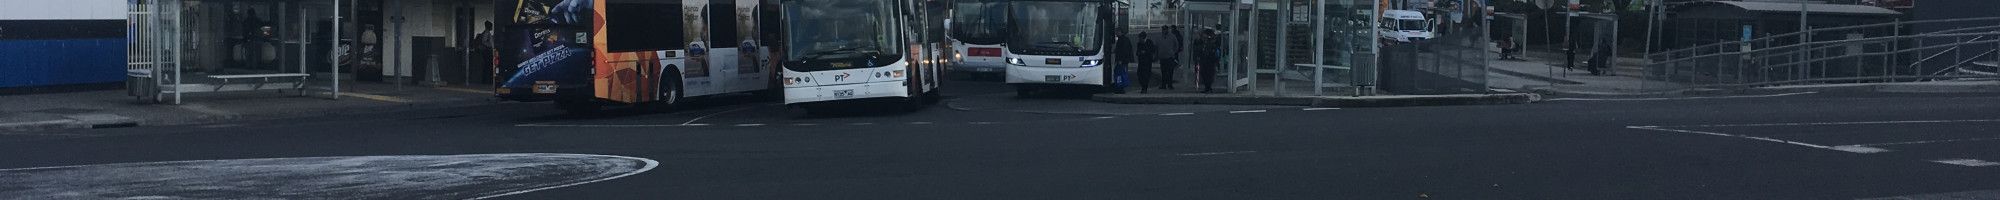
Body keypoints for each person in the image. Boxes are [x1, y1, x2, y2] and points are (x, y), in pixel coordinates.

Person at [1198, 28, 1221, 93]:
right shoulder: (1203, 43)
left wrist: (1216, 62)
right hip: (1205, 61)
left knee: (1209, 75)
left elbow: (1215, 53)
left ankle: (1208, 87)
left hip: (1210, 62)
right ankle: (1207, 87)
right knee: (1204, 74)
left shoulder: (1211, 43)